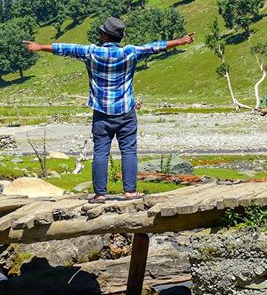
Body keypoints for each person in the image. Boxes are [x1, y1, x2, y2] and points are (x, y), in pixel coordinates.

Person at [25, 16, 194, 202]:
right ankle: (129, 192)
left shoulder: (91, 52)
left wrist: (40, 47)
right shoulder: (130, 52)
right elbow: (155, 46)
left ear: (104, 36)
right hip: (126, 112)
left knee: (100, 153)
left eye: (101, 32)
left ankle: (100, 194)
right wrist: (180, 41)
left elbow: (65, 48)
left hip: (101, 114)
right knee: (129, 151)